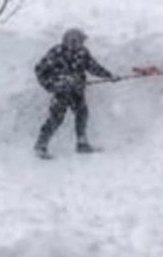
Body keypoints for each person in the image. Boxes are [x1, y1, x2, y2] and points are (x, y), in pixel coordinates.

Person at [33, 28, 117, 159]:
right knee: (56, 118)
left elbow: (93, 67)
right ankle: (41, 146)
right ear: (67, 40)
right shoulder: (56, 52)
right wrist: (54, 84)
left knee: (82, 114)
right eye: (76, 41)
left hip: (77, 91)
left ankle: (81, 143)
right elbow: (39, 70)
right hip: (61, 92)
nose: (78, 44)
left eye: (81, 42)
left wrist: (109, 76)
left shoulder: (83, 53)